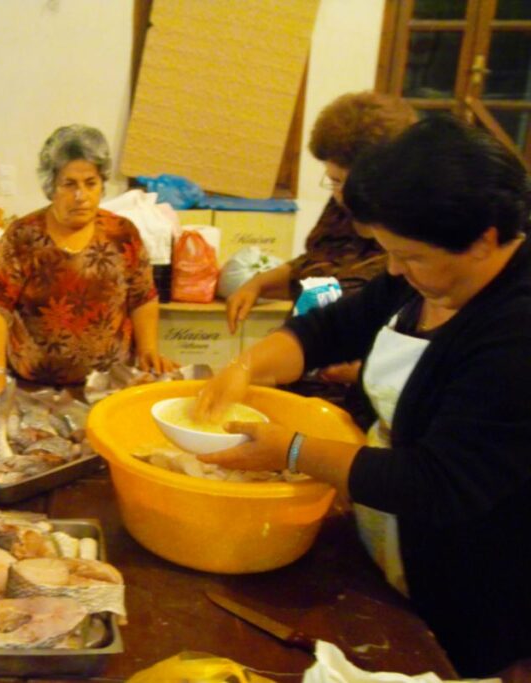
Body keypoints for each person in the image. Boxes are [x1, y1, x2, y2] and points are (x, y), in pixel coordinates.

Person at [194, 117, 531, 676]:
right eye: (389, 251)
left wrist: (292, 451)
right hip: (387, 545)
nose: (395, 269)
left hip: (474, 577)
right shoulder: (424, 272)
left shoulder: (516, 329)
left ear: (485, 239)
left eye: (411, 256)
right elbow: (330, 328)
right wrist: (247, 366)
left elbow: (438, 482)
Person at [224, 92, 417, 424]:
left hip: (357, 410)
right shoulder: (340, 211)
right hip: (302, 380)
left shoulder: (412, 244)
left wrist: (365, 371)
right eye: (334, 181)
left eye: (348, 182)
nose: (341, 194)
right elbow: (317, 264)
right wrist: (258, 285)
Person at [0, 124, 176, 407]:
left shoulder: (122, 233)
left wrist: (149, 349)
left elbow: (143, 297)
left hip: (111, 385)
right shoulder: (23, 236)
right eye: (69, 184)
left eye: (90, 183)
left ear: (102, 184)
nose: (81, 196)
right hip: (34, 388)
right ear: (51, 187)